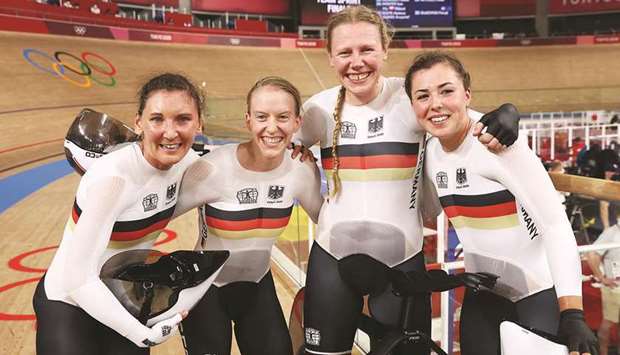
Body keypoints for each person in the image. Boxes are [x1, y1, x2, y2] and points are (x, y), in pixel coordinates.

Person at [292, 5, 520, 355]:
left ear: (385, 49)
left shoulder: (410, 98)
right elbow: (276, 144)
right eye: (345, 52)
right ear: (330, 57)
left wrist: (506, 114)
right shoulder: (318, 109)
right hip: (331, 262)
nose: (357, 62)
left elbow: (463, 120)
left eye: (367, 49)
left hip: (401, 263)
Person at [407, 50, 598, 355]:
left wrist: (572, 312)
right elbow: (426, 211)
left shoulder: (497, 142)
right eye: (423, 96)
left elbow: (554, 224)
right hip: (481, 297)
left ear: (467, 94)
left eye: (446, 91)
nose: (436, 104)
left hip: (535, 296)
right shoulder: (430, 152)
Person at [33, 73, 204, 354]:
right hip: (69, 301)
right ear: (139, 122)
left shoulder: (189, 164)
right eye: (157, 119)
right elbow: (78, 279)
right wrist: (143, 335)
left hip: (122, 297)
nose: (170, 132)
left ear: (199, 123)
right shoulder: (114, 179)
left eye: (183, 119)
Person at [172, 76, 323, 355]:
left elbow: (326, 225)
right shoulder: (212, 170)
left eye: (283, 117)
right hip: (206, 290)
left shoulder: (301, 170)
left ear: (297, 123)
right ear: (248, 121)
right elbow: (156, 219)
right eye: (262, 117)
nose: (272, 127)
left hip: (257, 287)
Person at [587, 223, 620, 355]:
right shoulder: (612, 233)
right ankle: (603, 352)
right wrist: (601, 278)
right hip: (614, 289)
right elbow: (591, 255)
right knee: (608, 324)